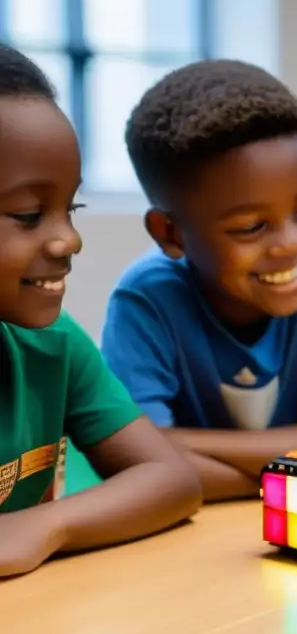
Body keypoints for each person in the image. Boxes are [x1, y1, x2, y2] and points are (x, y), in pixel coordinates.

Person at [101, 60, 297, 503]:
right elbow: (132, 462)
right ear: (170, 234)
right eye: (252, 227)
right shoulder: (145, 301)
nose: (290, 244)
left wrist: (174, 446)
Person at [0, 44, 201, 577]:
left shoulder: (52, 343)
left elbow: (172, 479)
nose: (69, 239)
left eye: (70, 209)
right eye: (27, 214)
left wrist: (46, 525)